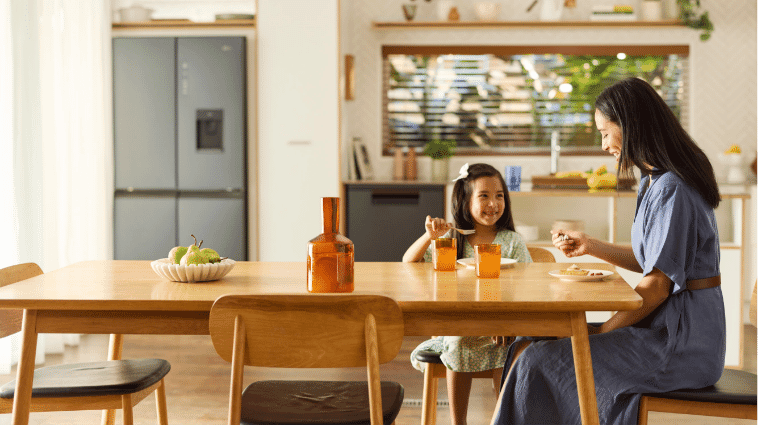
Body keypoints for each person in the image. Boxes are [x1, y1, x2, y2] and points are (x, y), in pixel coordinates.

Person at [491, 77, 725, 425]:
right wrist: (591, 245)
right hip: (663, 327)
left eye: (604, 132)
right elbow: (657, 261)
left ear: (630, 126)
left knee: (537, 359)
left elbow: (658, 285)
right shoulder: (653, 181)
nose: (603, 145)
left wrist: (600, 333)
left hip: (681, 343)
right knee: (529, 341)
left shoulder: (672, 188)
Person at [403, 162, 532, 425]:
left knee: (507, 347)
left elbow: (526, 286)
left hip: (502, 322)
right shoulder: (451, 241)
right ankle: (457, 422)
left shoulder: (511, 241)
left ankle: (503, 419)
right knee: (458, 342)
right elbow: (409, 263)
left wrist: (505, 320)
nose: (493, 203)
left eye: (499, 196)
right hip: (459, 323)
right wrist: (430, 237)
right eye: (483, 195)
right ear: (465, 199)